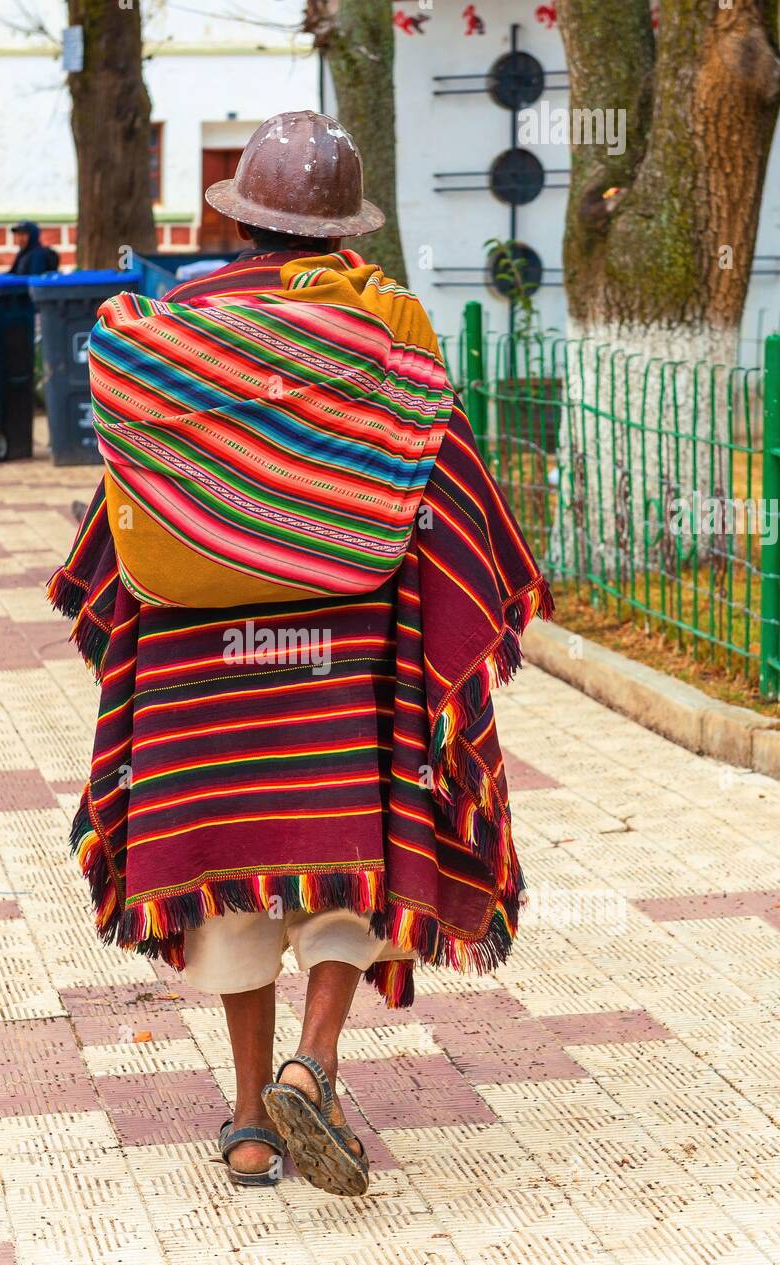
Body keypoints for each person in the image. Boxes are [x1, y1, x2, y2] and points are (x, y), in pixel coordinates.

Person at [49, 112, 551, 1197]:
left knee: (226, 871)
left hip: (198, 654)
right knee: (344, 856)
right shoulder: (389, 342)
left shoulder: (173, 331)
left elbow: (129, 499)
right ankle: (311, 1067)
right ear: (341, 231)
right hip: (343, 647)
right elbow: (447, 489)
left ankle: (244, 1124)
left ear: (239, 220)